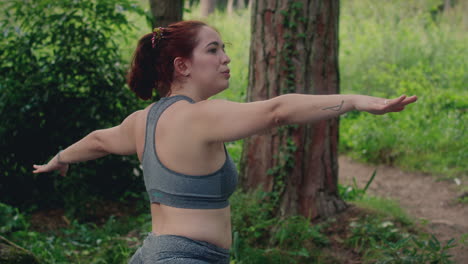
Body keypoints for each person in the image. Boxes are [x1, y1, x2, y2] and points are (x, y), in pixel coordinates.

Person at [32, 20, 418, 263]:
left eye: (224, 48)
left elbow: (99, 141)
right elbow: (277, 111)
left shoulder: (141, 121)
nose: (226, 59)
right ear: (182, 66)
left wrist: (61, 157)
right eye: (213, 50)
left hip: (152, 253)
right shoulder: (199, 116)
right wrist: (355, 101)